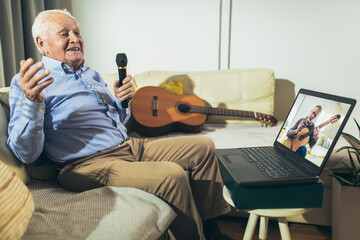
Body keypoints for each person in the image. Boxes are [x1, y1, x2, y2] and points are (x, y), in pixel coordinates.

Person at [7, 9, 233, 240]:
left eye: (77, 32)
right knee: (172, 175)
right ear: (41, 43)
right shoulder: (29, 84)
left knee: (204, 146)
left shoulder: (91, 75)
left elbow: (117, 123)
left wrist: (121, 102)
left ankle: (212, 229)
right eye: (64, 33)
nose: (75, 38)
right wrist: (32, 104)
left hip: (129, 146)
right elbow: (26, 153)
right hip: (85, 165)